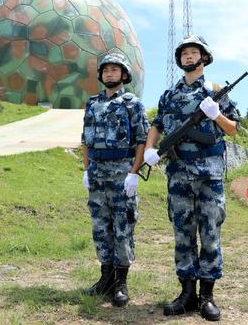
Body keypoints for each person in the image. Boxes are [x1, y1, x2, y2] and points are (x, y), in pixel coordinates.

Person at [143, 35, 240, 321]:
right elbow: (158, 124)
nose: (188, 56)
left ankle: (207, 296)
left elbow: (233, 128)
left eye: (193, 52)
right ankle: (186, 293)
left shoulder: (216, 90)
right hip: (178, 174)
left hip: (209, 175)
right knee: (182, 233)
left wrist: (216, 115)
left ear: (204, 57)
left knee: (210, 232)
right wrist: (150, 148)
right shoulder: (169, 94)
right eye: (184, 53)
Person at [81, 52, 149, 307]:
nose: (109, 73)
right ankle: (105, 278)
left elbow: (142, 140)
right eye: (105, 70)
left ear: (124, 75)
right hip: (97, 173)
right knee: (100, 226)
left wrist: (134, 173)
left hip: (122, 172)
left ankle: (121, 282)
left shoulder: (133, 103)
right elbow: (85, 140)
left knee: (123, 226)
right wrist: (86, 169)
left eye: (114, 70)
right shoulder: (92, 103)